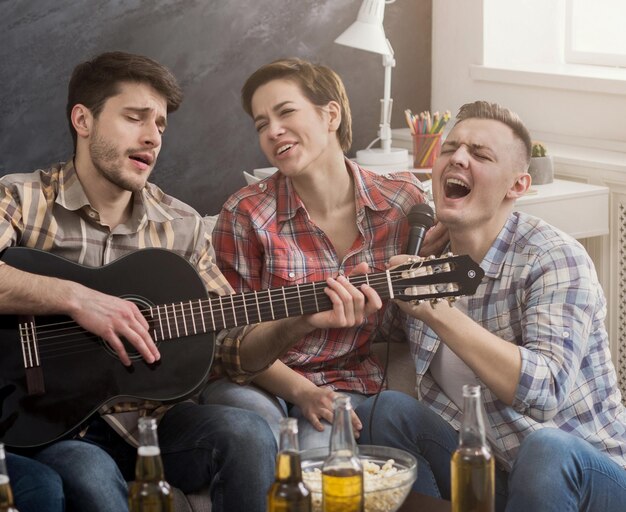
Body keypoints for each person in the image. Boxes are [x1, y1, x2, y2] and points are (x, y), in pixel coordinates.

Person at [0, 51, 382, 512]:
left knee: (245, 433)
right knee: (89, 473)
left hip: (151, 423)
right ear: (83, 119)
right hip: (45, 418)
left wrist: (298, 321)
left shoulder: (179, 224)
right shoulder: (22, 198)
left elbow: (231, 348)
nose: (151, 137)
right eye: (134, 118)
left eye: (160, 125)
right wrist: (78, 299)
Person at [355, 100, 626, 511]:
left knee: (546, 448)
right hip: (491, 474)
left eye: (480, 154)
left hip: (585, 477)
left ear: (517, 186)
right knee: (385, 410)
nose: (457, 158)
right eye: (450, 149)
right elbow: (374, 330)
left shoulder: (553, 258)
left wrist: (435, 309)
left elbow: (546, 391)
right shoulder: (429, 257)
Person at [203, 57, 446, 450]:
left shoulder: (402, 201)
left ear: (330, 114)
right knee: (259, 432)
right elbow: (231, 341)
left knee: (331, 455)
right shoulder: (245, 214)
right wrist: (303, 392)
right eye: (262, 124)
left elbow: (413, 313)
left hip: (350, 382)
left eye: (285, 112)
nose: (273, 131)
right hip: (260, 381)